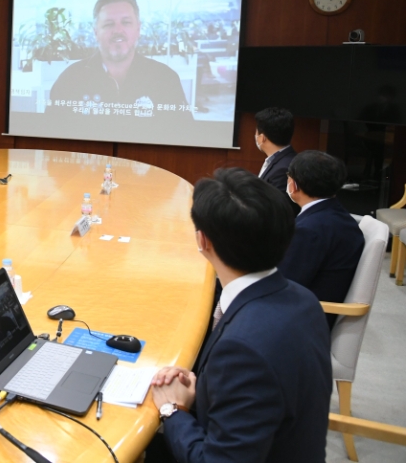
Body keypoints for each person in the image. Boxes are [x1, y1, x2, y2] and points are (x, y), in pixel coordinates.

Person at [148, 168, 331, 463]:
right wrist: (204, 387)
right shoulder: (303, 299)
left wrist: (172, 409)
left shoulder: (243, 350)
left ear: (202, 240)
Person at [46, 0, 188, 119]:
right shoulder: (70, 79)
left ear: (138, 29)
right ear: (96, 32)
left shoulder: (165, 78)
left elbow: (184, 134)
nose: (118, 30)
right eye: (108, 24)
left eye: (126, 22)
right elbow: (51, 134)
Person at [281, 151, 364, 329]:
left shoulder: (309, 230)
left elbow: (283, 284)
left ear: (293, 185)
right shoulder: (336, 216)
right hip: (312, 310)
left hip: (300, 320)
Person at [254, 107, 296, 194]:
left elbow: (277, 205)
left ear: (262, 138)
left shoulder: (282, 170)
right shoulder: (286, 159)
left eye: (256, 133)